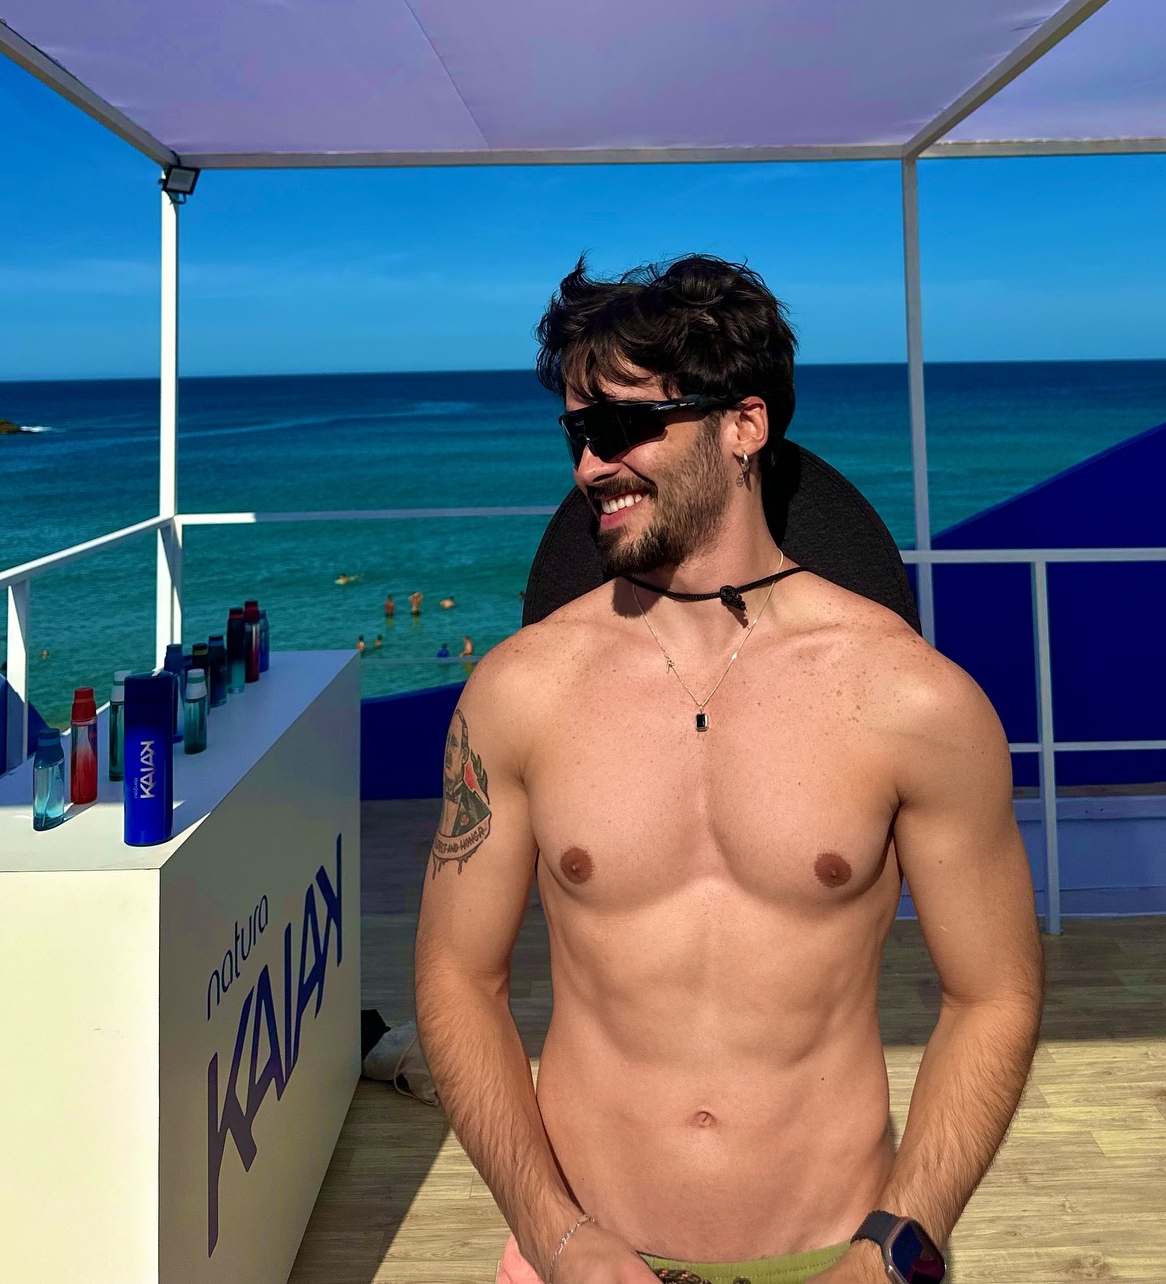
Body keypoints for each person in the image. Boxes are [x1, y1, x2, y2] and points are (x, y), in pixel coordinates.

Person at [415, 255, 1043, 1284]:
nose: (590, 466)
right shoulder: (519, 692)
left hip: (840, 1260)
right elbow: (456, 978)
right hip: (582, 1257)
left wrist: (897, 1249)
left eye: (622, 426)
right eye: (577, 434)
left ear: (744, 425)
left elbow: (993, 996)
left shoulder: (913, 700)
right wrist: (552, 1233)